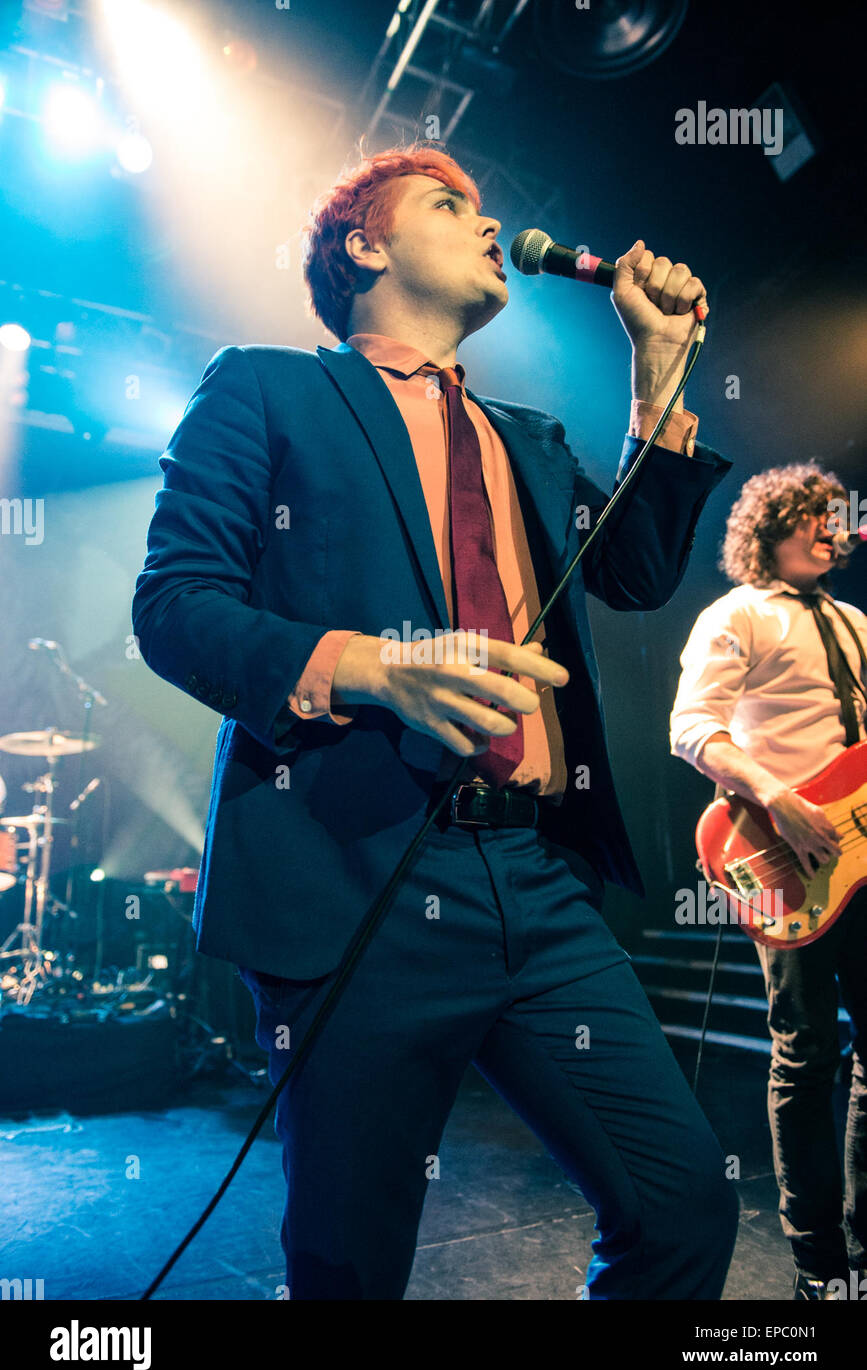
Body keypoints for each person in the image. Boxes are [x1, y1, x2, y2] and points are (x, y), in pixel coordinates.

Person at [133, 141, 737, 1300]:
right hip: (352, 871)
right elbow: (174, 607)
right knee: (351, 1267)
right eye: (449, 202)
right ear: (365, 245)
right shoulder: (267, 386)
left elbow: (640, 572)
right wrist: (375, 667)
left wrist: (658, 373)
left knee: (683, 1206)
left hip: (537, 877)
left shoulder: (532, 437)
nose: (488, 218)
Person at [670, 462, 867, 1300]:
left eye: (836, 519)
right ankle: (818, 1265)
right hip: (784, 862)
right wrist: (778, 799)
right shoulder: (736, 614)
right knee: (804, 1054)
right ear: (767, 529)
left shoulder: (856, 621)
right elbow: (690, 729)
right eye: (809, 519)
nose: (829, 531)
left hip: (860, 859)